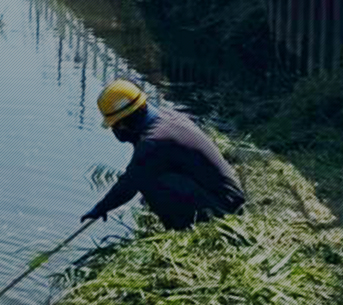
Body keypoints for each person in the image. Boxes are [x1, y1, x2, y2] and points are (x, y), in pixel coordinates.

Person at [82, 79, 248, 230]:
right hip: (228, 197)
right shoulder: (167, 116)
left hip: (223, 209)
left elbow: (129, 184)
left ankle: (183, 228)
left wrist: (100, 208)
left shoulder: (153, 142)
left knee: (149, 181)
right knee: (150, 174)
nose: (115, 131)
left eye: (114, 126)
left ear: (124, 123)